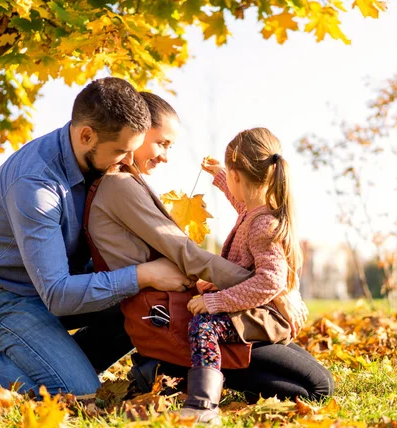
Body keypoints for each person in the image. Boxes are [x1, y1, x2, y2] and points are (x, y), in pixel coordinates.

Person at [0, 78, 192, 396]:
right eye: (120, 152)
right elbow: (57, 294)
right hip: (6, 294)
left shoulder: (100, 155)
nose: (128, 161)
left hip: (62, 281)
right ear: (87, 135)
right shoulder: (35, 184)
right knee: (78, 392)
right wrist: (143, 275)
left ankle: (59, 362)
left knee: (139, 305)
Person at [87, 95, 334, 419]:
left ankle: (172, 373)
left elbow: (243, 208)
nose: (165, 156)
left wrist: (273, 289)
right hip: (181, 315)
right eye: (162, 143)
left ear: (238, 176)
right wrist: (277, 293)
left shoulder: (259, 218)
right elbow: (188, 251)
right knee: (315, 388)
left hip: (231, 305)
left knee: (318, 384)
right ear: (138, 131)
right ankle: (190, 391)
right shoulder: (121, 186)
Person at [178, 127, 302, 422]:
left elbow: (270, 281)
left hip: (266, 315)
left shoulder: (262, 224)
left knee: (204, 326)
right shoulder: (254, 211)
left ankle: (202, 406)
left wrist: (218, 301)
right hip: (255, 306)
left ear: (239, 175)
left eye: (231, 175)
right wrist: (220, 174)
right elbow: (239, 199)